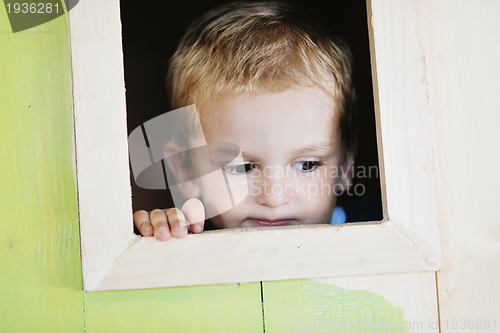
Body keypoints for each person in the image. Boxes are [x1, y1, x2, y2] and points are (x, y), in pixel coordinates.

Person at [132, 1, 359, 241]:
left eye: (307, 165)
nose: (274, 198)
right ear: (185, 168)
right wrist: (164, 237)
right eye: (242, 167)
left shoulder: (387, 230)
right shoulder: (187, 241)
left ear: (345, 165)